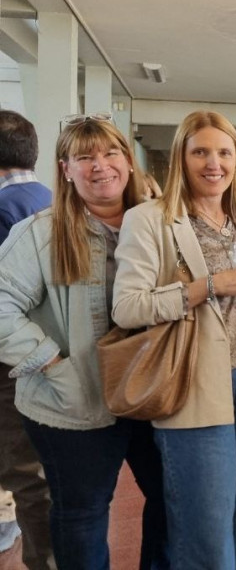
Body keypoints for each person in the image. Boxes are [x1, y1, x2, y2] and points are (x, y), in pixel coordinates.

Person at [113, 110, 236, 569]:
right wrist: (208, 286)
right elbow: (128, 308)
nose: (213, 163)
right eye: (200, 152)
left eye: (223, 152)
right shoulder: (150, 219)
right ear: (182, 157)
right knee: (206, 529)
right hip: (196, 386)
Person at [0, 115, 168, 569]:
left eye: (110, 153)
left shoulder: (159, 224)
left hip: (152, 394)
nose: (100, 166)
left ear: (129, 163)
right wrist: (52, 364)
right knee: (83, 513)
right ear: (66, 169)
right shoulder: (42, 232)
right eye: (84, 157)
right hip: (73, 402)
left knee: (170, 501)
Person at [0, 109, 54, 570]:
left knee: (28, 478)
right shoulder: (48, 198)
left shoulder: (2, 208)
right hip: (48, 355)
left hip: (12, 364)